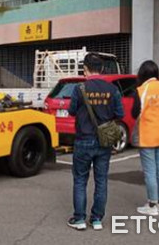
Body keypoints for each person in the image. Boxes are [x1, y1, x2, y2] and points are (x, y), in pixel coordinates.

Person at [67, 53, 124, 231]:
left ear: (85, 68)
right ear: (102, 69)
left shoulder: (79, 88)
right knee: (101, 180)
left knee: (80, 180)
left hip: (83, 139)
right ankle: (97, 219)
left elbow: (71, 111)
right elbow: (120, 114)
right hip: (104, 141)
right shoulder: (112, 89)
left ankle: (79, 219)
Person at [131, 60, 159, 215]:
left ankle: (152, 205)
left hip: (147, 134)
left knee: (150, 170)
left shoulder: (141, 90)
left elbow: (135, 112)